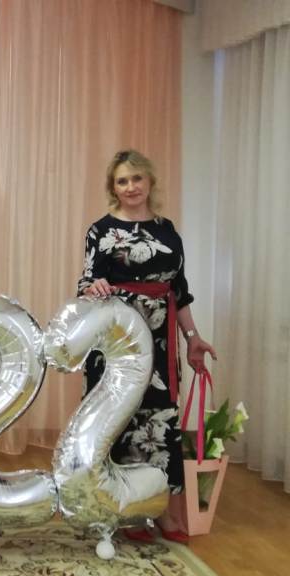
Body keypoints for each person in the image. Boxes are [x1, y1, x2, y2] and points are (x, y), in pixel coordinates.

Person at [77, 149, 216, 544]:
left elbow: (179, 291)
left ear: (149, 181)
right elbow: (85, 284)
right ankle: (126, 512)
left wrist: (192, 338)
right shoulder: (100, 230)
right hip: (117, 341)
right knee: (119, 421)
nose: (131, 187)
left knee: (159, 422)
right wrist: (93, 286)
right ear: (113, 188)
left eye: (136, 178)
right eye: (122, 181)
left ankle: (164, 511)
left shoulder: (168, 231)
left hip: (160, 340)